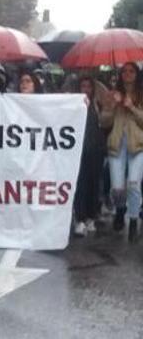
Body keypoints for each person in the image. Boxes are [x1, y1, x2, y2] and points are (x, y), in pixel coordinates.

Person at [100, 62, 143, 241]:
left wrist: (132, 106)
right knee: (117, 188)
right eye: (124, 71)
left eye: (131, 71)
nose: (127, 74)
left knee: (133, 183)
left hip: (138, 146)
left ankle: (133, 219)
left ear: (137, 74)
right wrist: (110, 106)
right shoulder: (112, 94)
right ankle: (120, 209)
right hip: (117, 145)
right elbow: (104, 123)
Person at [73, 76, 107, 237]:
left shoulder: (98, 105)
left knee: (94, 185)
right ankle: (80, 219)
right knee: (81, 185)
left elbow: (106, 122)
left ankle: (91, 216)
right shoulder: (72, 104)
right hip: (79, 152)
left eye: (88, 86)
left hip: (96, 151)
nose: (86, 89)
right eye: (83, 86)